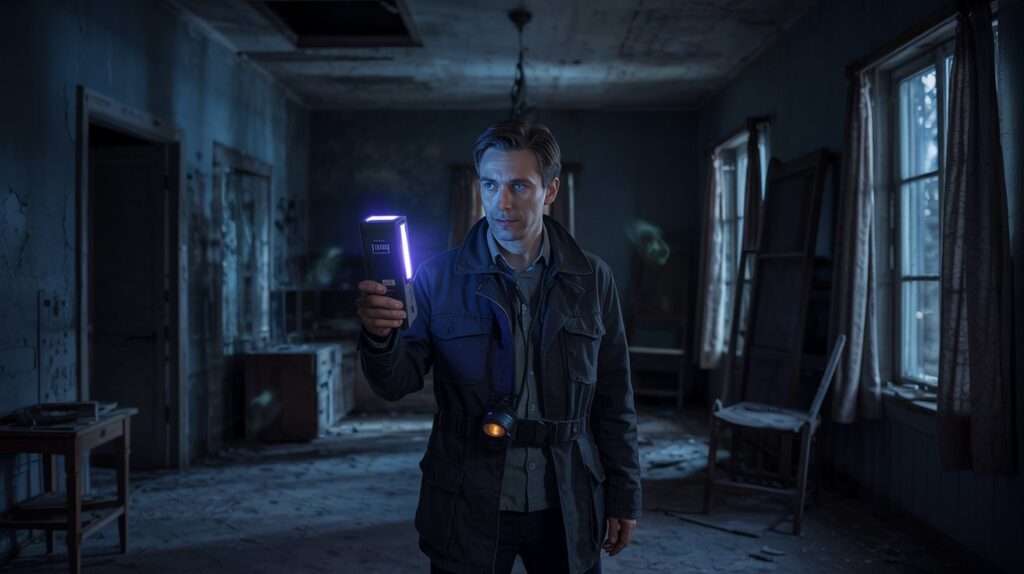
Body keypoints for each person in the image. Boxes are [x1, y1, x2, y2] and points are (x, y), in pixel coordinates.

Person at [357, 119, 641, 574]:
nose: (501, 203)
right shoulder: (436, 277)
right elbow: (396, 382)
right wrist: (379, 335)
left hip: (565, 500)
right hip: (468, 499)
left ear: (550, 190)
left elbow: (614, 397)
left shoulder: (592, 279)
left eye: (518, 186)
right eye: (490, 185)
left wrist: (625, 495)